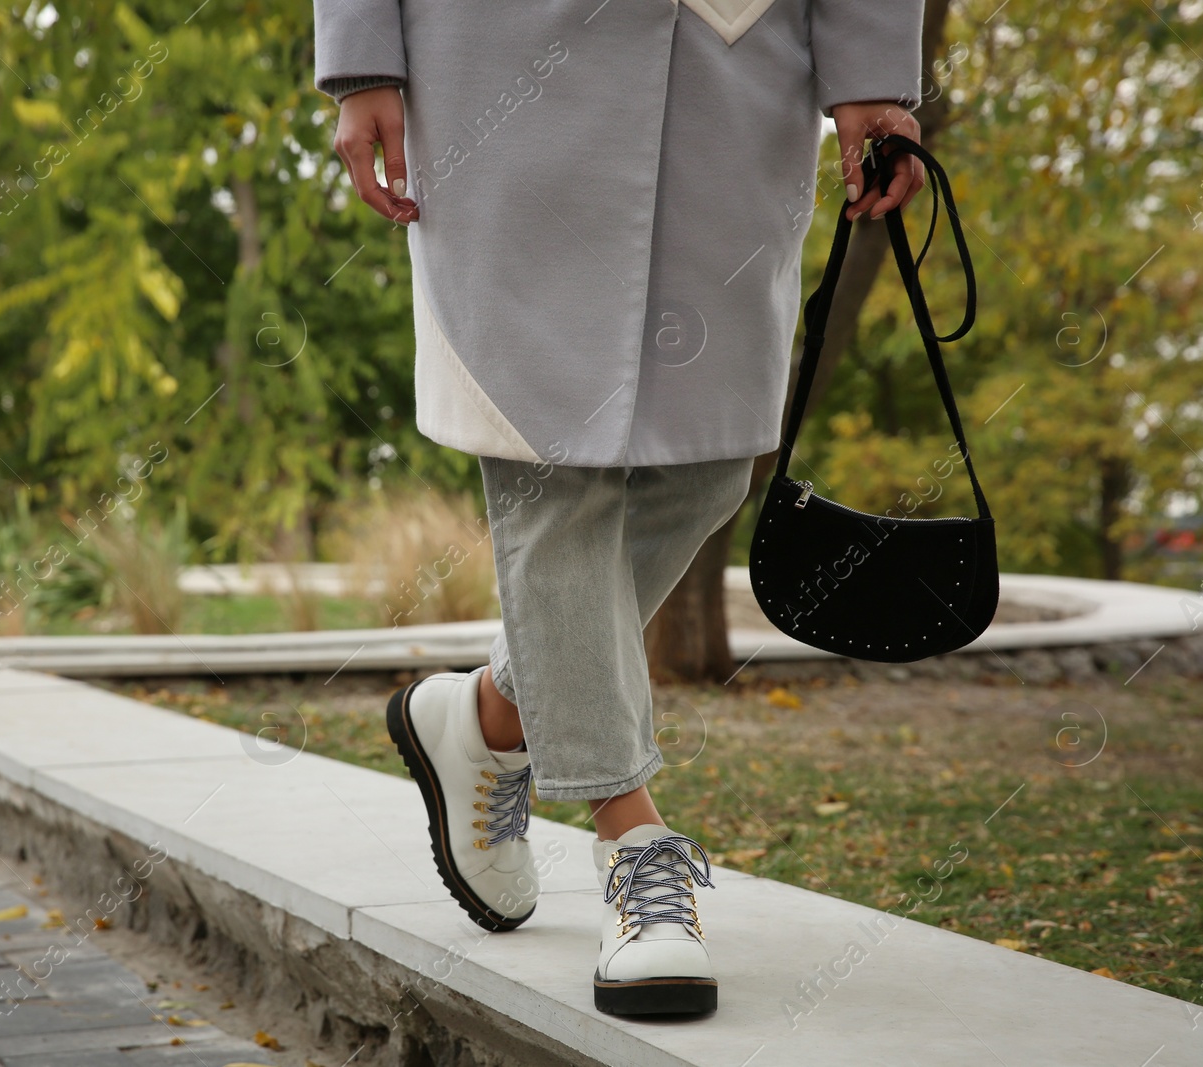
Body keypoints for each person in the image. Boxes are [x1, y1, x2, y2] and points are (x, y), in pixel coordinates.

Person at [315, 0, 929, 1017]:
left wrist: (870, 69)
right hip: (498, 69)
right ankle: (635, 850)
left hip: (733, 72)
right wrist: (360, 61)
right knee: (548, 461)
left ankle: (491, 714)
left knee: (710, 461)